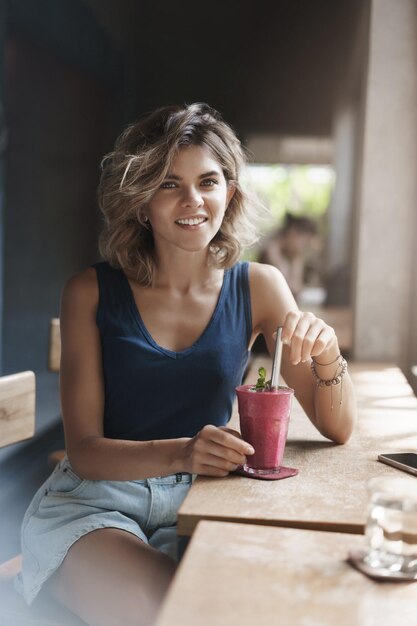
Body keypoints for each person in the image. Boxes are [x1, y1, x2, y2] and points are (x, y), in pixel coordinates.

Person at [15, 103, 356, 626]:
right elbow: (84, 453)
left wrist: (328, 353)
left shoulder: (259, 286)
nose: (193, 200)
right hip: (95, 507)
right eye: (169, 183)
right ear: (140, 201)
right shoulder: (87, 291)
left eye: (209, 181)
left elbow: (338, 428)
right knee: (172, 611)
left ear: (231, 192)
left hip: (211, 500)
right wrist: (184, 452)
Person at [258, 213, 319, 299]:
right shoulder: (270, 253)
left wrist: (297, 261)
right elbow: (288, 289)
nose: (303, 248)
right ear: (293, 234)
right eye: (305, 243)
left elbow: (296, 289)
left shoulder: (292, 256)